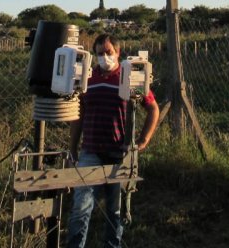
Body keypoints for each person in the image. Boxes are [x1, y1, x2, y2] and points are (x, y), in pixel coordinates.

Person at [66, 33, 159, 248]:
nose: (104, 57)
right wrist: (72, 149)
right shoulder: (87, 78)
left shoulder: (129, 78)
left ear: (118, 52)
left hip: (119, 153)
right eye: (99, 53)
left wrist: (142, 141)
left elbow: (152, 108)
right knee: (81, 208)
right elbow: (77, 115)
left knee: (115, 212)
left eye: (108, 52)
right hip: (90, 152)